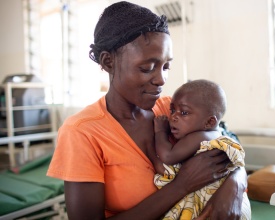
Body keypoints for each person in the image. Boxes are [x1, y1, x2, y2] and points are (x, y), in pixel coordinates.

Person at [46, 1, 248, 219]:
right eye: (147, 68)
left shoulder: (173, 109)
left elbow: (227, 145)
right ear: (108, 62)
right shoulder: (82, 132)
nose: (161, 79)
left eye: (166, 66)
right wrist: (181, 186)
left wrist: (235, 186)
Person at [152, 79, 251, 220]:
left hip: (217, 205)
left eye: (184, 113)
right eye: (172, 110)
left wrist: (160, 132)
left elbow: (167, 156)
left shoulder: (199, 136)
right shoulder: (215, 134)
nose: (173, 117)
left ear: (209, 122)